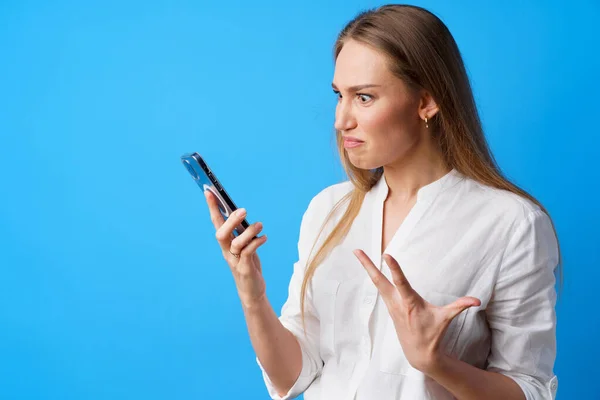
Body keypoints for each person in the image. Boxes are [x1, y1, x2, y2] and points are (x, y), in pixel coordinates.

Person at [203, 4, 561, 400]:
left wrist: (436, 363)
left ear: (427, 101)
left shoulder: (512, 224)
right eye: (340, 95)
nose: (341, 120)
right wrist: (252, 295)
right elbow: (293, 377)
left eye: (365, 97)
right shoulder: (328, 209)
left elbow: (530, 389)